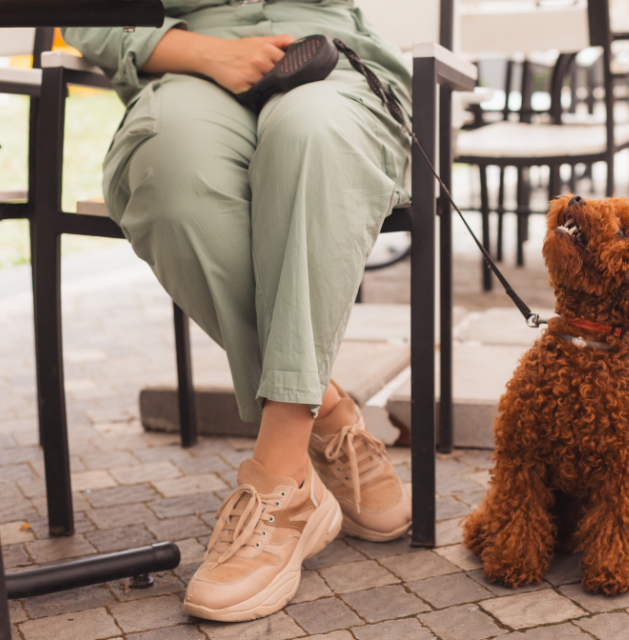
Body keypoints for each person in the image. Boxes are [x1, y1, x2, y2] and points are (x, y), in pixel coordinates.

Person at [63, 0, 412, 622]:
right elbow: (86, 14)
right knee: (172, 180)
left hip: (325, 58)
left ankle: (281, 479)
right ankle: (327, 414)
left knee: (309, 137)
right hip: (188, 65)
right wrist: (203, 51)